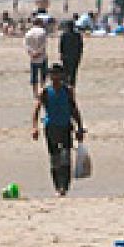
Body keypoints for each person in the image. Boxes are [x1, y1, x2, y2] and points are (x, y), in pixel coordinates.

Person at [31, 64, 85, 197]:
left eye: (57, 74)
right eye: (53, 74)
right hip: (51, 128)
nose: (55, 77)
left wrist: (80, 127)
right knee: (54, 157)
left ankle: (64, 186)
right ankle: (57, 186)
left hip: (66, 127)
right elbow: (37, 109)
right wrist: (34, 127)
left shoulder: (67, 91)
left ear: (62, 76)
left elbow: (74, 109)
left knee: (66, 156)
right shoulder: (45, 92)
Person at [24, 16, 49, 94]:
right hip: (42, 56)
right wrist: (38, 52)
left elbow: (26, 45)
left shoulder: (28, 33)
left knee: (34, 76)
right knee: (43, 76)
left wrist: (32, 53)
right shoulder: (43, 32)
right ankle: (42, 91)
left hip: (33, 57)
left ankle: (35, 92)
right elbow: (43, 45)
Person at [58, 18, 84, 87]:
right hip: (75, 57)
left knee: (66, 73)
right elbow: (80, 47)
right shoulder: (78, 35)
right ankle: (72, 87)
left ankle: (66, 87)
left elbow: (61, 46)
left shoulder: (64, 35)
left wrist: (61, 54)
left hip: (66, 57)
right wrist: (79, 56)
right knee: (73, 73)